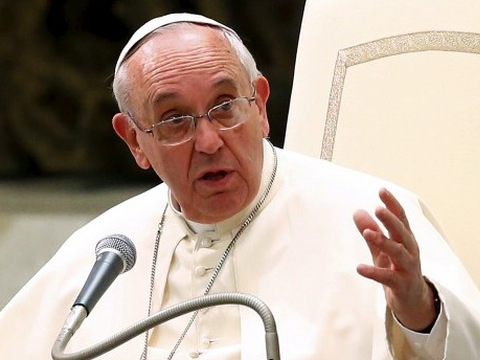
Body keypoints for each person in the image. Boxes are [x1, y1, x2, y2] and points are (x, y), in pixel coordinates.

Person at [0, 12, 479, 360]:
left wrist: (419, 310)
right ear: (134, 141)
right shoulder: (105, 252)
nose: (208, 142)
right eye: (174, 120)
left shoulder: (370, 219)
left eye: (226, 106)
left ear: (262, 106)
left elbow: (462, 347)